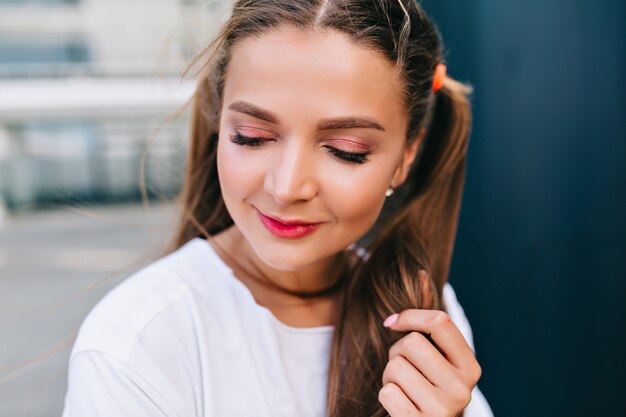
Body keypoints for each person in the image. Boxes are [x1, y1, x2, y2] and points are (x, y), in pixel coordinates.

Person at [62, 0, 494, 416]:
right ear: (218, 123)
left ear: (407, 156)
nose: (287, 187)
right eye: (251, 136)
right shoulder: (138, 341)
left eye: (346, 150)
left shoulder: (423, 313)